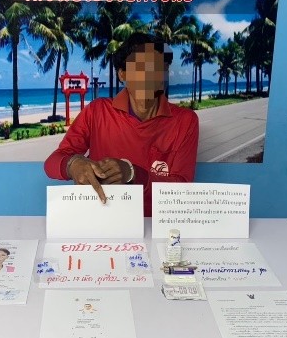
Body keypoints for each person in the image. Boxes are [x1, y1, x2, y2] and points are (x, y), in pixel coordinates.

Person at [44, 32, 199, 216]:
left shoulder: (185, 120)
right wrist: (73, 165)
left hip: (156, 223)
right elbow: (52, 163)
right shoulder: (97, 111)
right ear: (122, 74)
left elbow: (182, 190)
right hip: (103, 219)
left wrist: (132, 173)